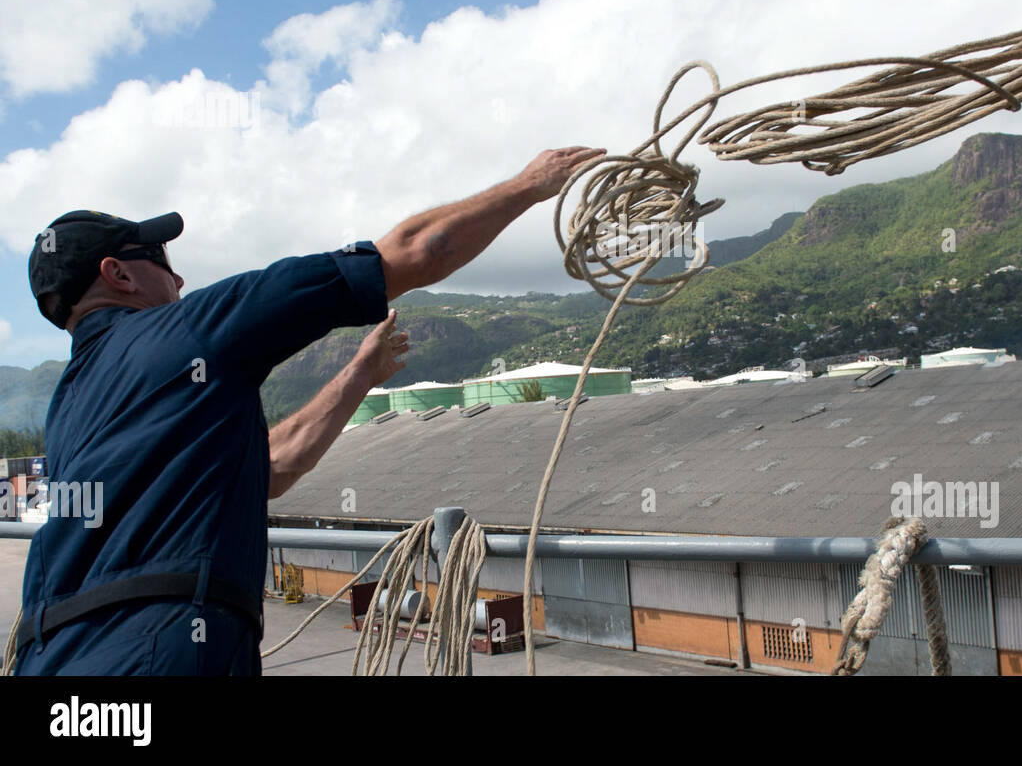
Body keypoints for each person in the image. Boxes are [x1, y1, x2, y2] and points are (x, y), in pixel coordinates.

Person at [11, 146, 603, 675]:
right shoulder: (192, 329)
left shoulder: (69, 405)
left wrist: (359, 375)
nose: (180, 276)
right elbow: (415, 253)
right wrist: (529, 185)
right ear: (117, 274)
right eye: (159, 259)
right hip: (159, 651)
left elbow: (270, 469)